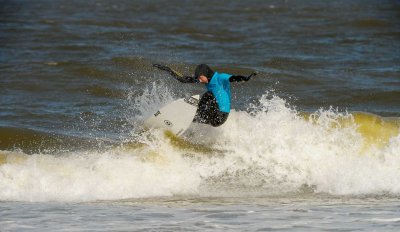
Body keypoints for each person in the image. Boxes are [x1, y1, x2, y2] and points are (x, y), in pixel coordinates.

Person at [153, 63, 256, 127]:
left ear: (206, 73)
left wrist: (245, 79)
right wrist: (168, 69)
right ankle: (185, 120)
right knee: (195, 115)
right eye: (198, 78)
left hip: (221, 115)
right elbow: (183, 79)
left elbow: (234, 78)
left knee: (208, 95)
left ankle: (193, 115)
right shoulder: (204, 80)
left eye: (201, 77)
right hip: (213, 118)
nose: (199, 80)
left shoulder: (220, 77)